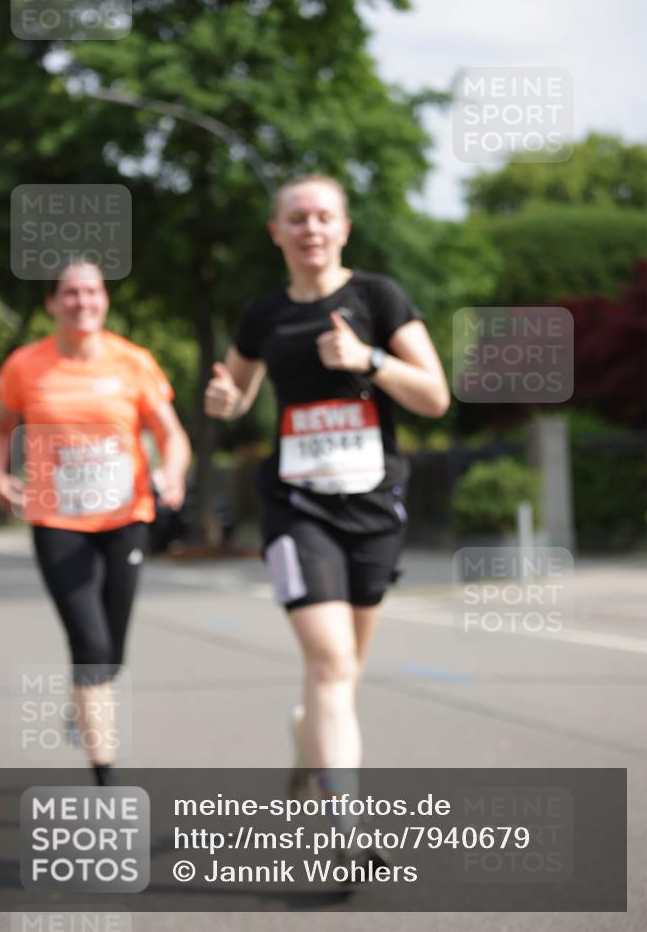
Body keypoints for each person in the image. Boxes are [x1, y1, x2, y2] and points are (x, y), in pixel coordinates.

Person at [204, 175, 449, 820]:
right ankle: (345, 822)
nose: (310, 228)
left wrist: (368, 358)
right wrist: (226, 400)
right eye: (296, 218)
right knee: (332, 660)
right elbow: (238, 391)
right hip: (295, 507)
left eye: (322, 216)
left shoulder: (378, 297)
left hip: (372, 505)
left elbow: (434, 397)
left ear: (343, 227)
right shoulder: (263, 315)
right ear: (276, 232)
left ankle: (307, 732)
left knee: (345, 668)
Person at [0, 262, 190, 785]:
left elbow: (171, 434)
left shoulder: (133, 362)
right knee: (91, 645)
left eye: (92, 291)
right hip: (58, 521)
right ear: (52, 303)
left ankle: (84, 701)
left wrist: (173, 472)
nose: (82, 302)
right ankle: (107, 783)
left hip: (126, 519)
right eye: (70, 293)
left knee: (111, 653)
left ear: (105, 299)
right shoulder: (25, 366)